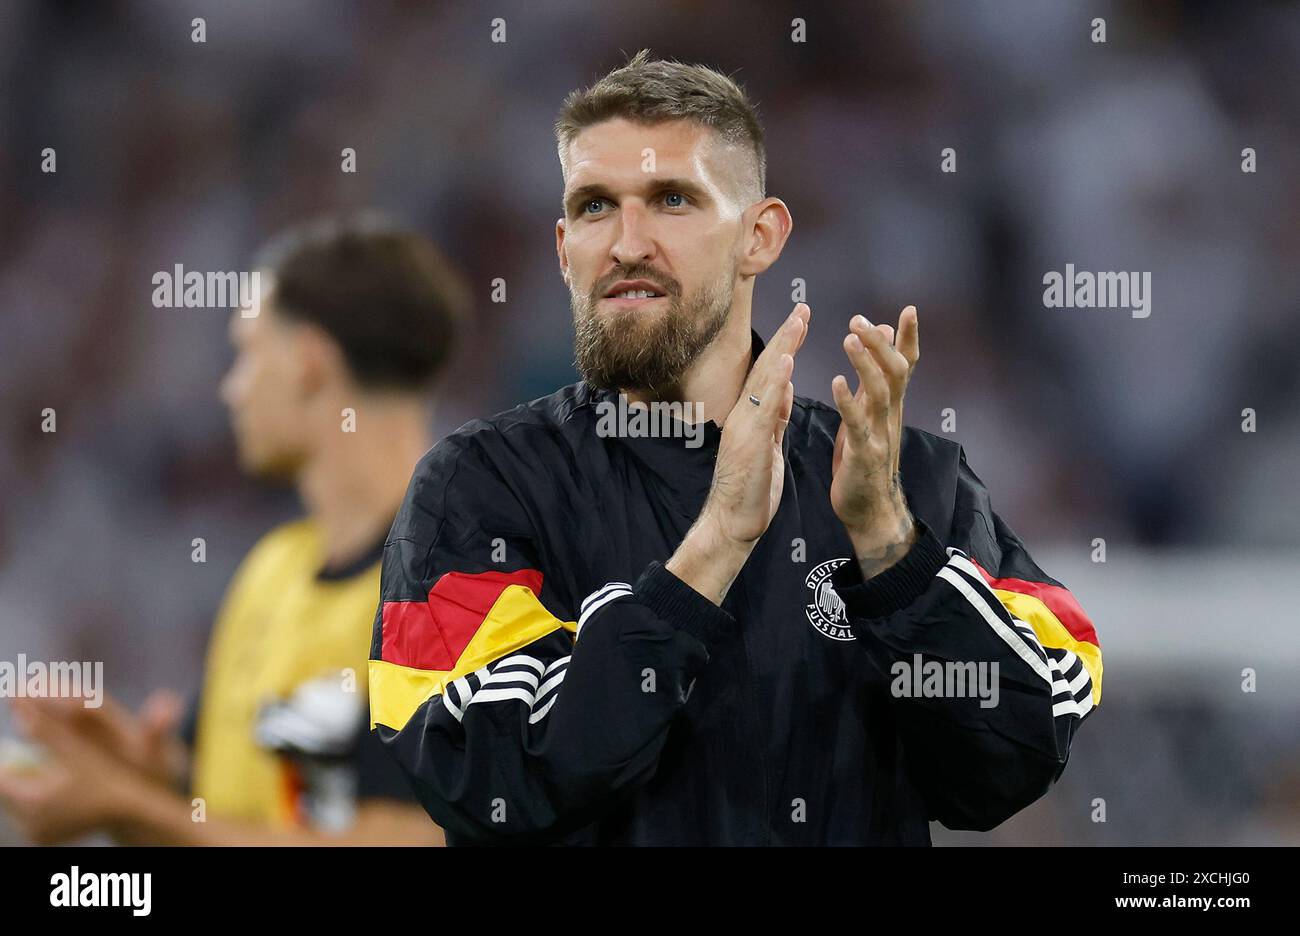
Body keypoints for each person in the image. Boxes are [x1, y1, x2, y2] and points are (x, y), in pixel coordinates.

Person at [368, 51, 1102, 845]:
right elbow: (483, 773)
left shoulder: (907, 481)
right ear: (561, 245)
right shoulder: (479, 486)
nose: (626, 243)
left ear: (761, 236)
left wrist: (892, 552)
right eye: (594, 207)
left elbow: (1017, 758)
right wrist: (713, 547)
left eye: (672, 200)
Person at [0, 219, 466, 845]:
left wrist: (129, 806)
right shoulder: (272, 569)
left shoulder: (459, 583)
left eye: (246, 353)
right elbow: (232, 806)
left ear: (308, 361)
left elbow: (400, 839)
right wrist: (139, 771)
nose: (231, 387)